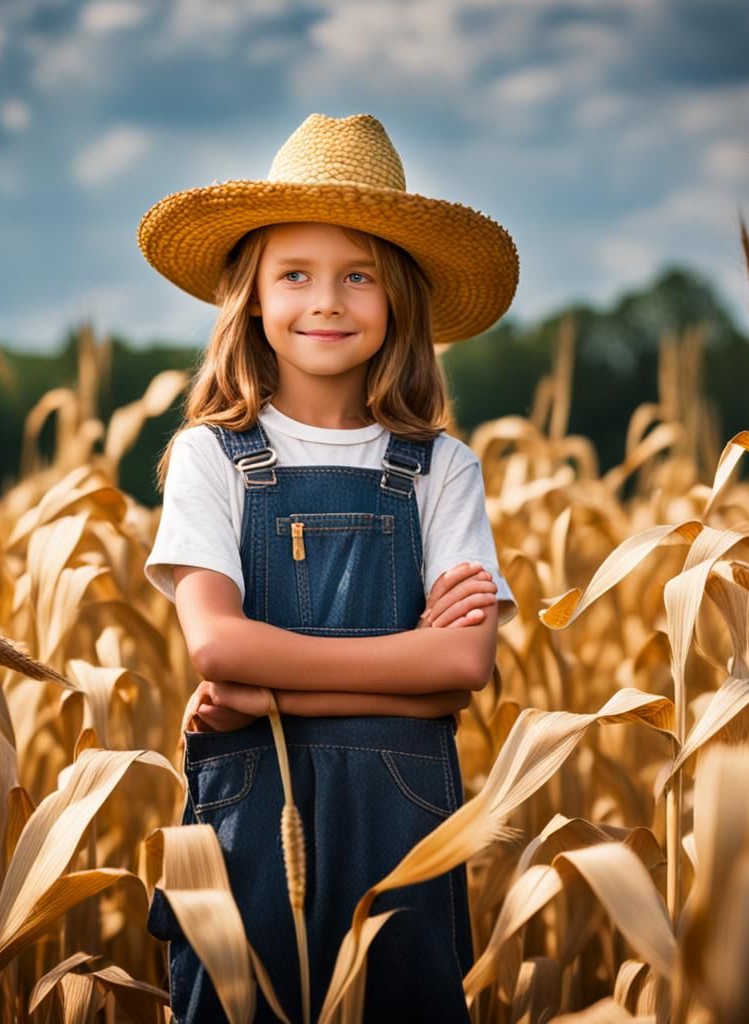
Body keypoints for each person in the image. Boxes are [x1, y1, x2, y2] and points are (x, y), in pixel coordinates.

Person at [139, 113, 519, 1023]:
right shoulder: (211, 456)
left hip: (404, 826)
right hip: (250, 811)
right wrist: (407, 679)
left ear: (397, 300)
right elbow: (215, 646)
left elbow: (464, 668)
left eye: (359, 276)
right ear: (254, 297)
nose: (328, 301)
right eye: (295, 275)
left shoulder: (441, 468)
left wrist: (275, 694)